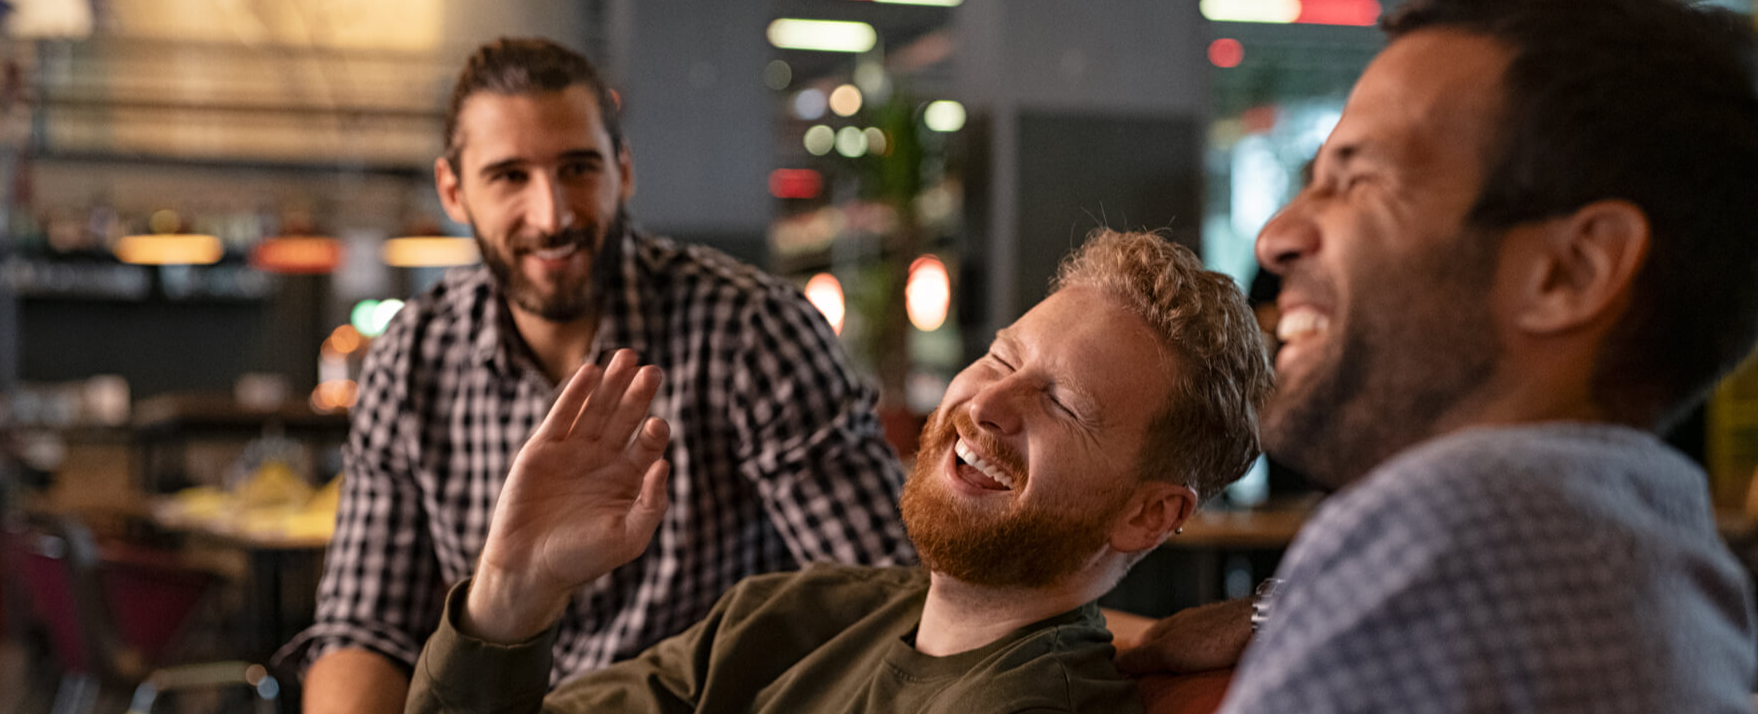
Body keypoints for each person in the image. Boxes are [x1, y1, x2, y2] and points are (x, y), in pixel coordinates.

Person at [1122, 0, 1758, 712]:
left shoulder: (1454, 519)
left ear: (1568, 271)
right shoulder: (1658, 545)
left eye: (1361, 180)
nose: (1276, 237)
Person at [280, 37, 917, 712]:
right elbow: (364, 630)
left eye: (578, 169)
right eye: (509, 177)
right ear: (453, 191)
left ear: (624, 171)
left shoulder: (750, 330)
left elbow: (888, 599)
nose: (552, 216)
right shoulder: (410, 359)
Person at [403, 229, 1272, 713]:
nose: (989, 405)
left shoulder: (1027, 706)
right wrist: (516, 587)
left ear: (1149, 517)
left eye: (1065, 405)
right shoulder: (795, 617)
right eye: (1003, 357)